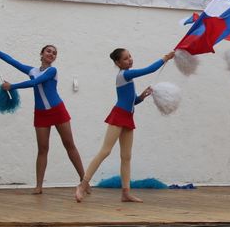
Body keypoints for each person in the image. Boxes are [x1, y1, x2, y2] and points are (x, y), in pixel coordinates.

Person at [75, 48, 175, 203]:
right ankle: (82, 185)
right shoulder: (125, 74)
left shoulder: (127, 77)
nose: (130, 60)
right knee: (105, 151)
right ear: (118, 63)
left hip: (128, 116)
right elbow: (149, 69)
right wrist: (166, 58)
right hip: (119, 115)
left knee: (126, 157)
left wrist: (141, 96)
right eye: (125, 59)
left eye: (130, 57)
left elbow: (132, 101)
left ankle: (125, 193)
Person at [0, 44, 85, 194]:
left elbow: (34, 83)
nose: (51, 54)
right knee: (42, 149)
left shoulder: (52, 71)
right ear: (42, 54)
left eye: (54, 53)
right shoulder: (32, 70)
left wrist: (12, 86)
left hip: (58, 110)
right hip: (41, 113)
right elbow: (11, 60)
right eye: (48, 51)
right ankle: (39, 186)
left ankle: (84, 181)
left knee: (69, 145)